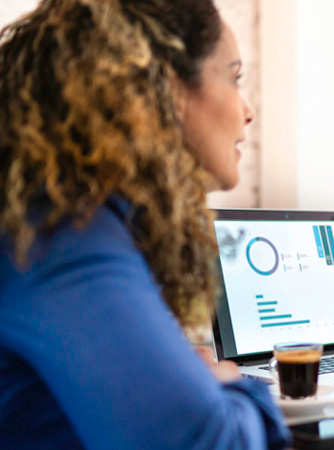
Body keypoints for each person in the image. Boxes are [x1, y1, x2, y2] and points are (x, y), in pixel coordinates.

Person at [0, 0, 290, 448]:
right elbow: (213, 441)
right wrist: (233, 385)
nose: (247, 111)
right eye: (233, 78)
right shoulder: (63, 235)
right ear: (167, 88)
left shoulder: (75, 218)